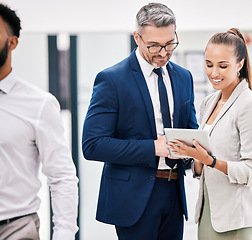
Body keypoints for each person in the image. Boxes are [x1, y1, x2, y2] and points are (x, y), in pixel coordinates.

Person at [82, 2, 198, 239]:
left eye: (170, 44)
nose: (164, 53)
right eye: (154, 45)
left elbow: (190, 129)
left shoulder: (184, 77)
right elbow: (92, 144)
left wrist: (195, 148)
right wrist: (153, 148)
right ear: (137, 37)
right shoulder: (112, 80)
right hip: (132, 198)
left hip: (175, 193)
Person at [169, 28, 252, 240]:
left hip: (236, 218)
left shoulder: (250, 105)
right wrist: (196, 157)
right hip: (210, 212)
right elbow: (204, 163)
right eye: (209, 65)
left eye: (223, 66)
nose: (214, 73)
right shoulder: (209, 102)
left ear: (239, 65)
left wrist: (210, 161)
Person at [0, 4, 79, 240]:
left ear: (12, 43)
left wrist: (64, 234)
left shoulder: (39, 104)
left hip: (15, 228)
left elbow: (62, 176)